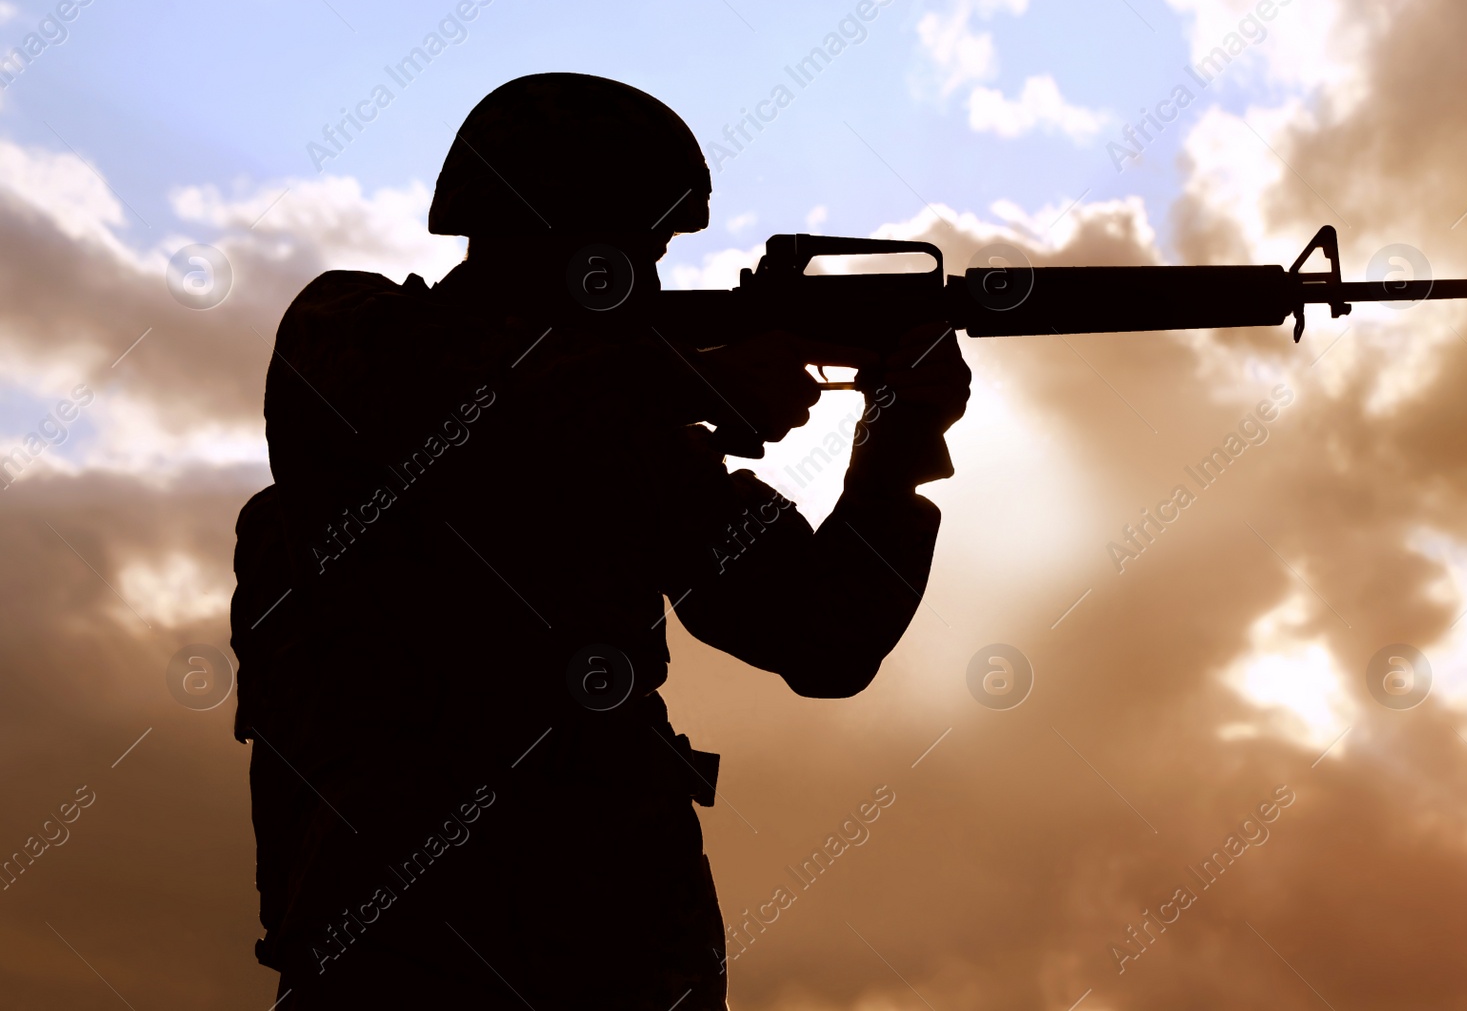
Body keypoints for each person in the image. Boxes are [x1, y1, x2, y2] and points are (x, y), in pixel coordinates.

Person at [231, 72, 970, 1009]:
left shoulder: (626, 441)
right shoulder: (352, 334)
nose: (655, 281)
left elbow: (821, 634)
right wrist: (694, 385)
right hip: (409, 945)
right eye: (640, 248)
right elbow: (441, 408)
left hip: (604, 950)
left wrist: (893, 448)